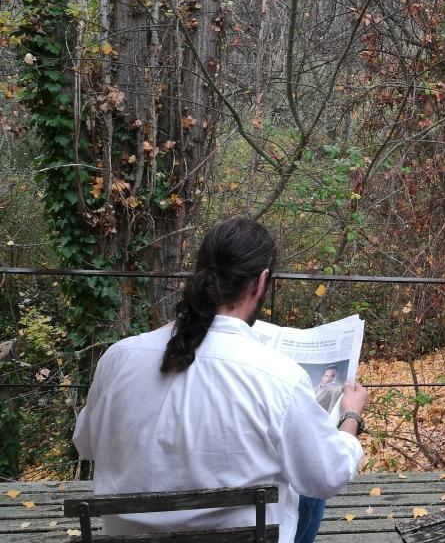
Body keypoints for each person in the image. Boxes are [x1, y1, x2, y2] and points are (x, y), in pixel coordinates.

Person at [72, 217, 368, 543]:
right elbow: (328, 476)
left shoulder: (118, 358)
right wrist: (350, 416)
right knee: (306, 478)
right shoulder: (278, 376)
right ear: (261, 281)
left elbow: (85, 445)